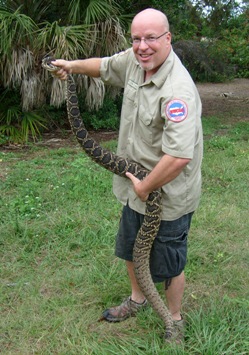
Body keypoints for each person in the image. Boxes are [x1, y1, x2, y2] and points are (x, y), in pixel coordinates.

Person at [52, 8, 203, 343]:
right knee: (132, 249)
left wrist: (147, 187)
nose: (142, 46)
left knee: (170, 263)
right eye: (136, 38)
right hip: (135, 184)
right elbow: (105, 67)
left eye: (150, 38)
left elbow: (178, 156)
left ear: (167, 38)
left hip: (168, 192)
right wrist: (71, 67)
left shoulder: (178, 90)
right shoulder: (136, 61)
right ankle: (138, 299)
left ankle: (173, 319)